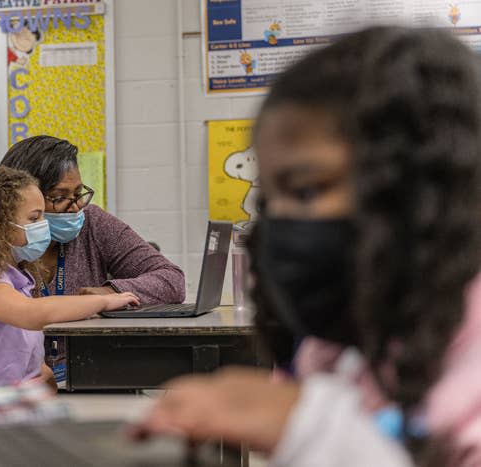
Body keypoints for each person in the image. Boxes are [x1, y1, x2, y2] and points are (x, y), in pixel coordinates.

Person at [134, 26, 481, 467]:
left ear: (431, 188)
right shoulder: (337, 348)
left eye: (305, 192)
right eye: (269, 201)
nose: (280, 224)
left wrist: (306, 422)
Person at [0, 136, 185, 387]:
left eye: (78, 194)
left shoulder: (33, 266)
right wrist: (98, 302)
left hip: (83, 378)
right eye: (59, 198)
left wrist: (111, 290)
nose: (75, 208)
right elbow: (31, 314)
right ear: (3, 215)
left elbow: (171, 279)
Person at [0, 167, 140, 388]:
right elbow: (32, 313)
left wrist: (44, 374)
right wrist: (103, 301)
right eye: (35, 218)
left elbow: (21, 349)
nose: (44, 225)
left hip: (22, 406)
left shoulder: (19, 279)